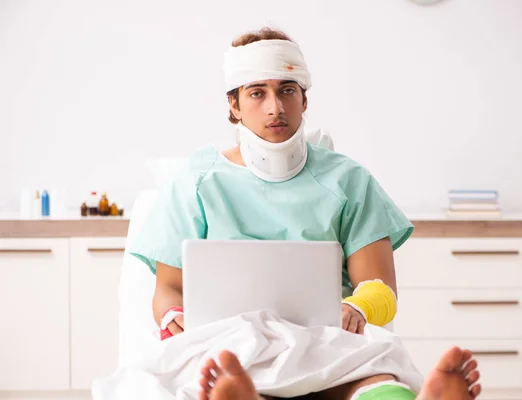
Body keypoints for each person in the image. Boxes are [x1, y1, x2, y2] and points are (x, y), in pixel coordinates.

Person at [128, 27, 482, 400]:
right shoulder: (196, 183)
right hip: (230, 343)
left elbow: (379, 288)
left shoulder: (348, 180)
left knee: (374, 381)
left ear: (304, 100)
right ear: (234, 105)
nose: (275, 107)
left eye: (287, 90)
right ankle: (243, 393)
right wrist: (172, 318)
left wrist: (358, 308)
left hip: (328, 339)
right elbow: (169, 289)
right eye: (257, 93)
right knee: (219, 371)